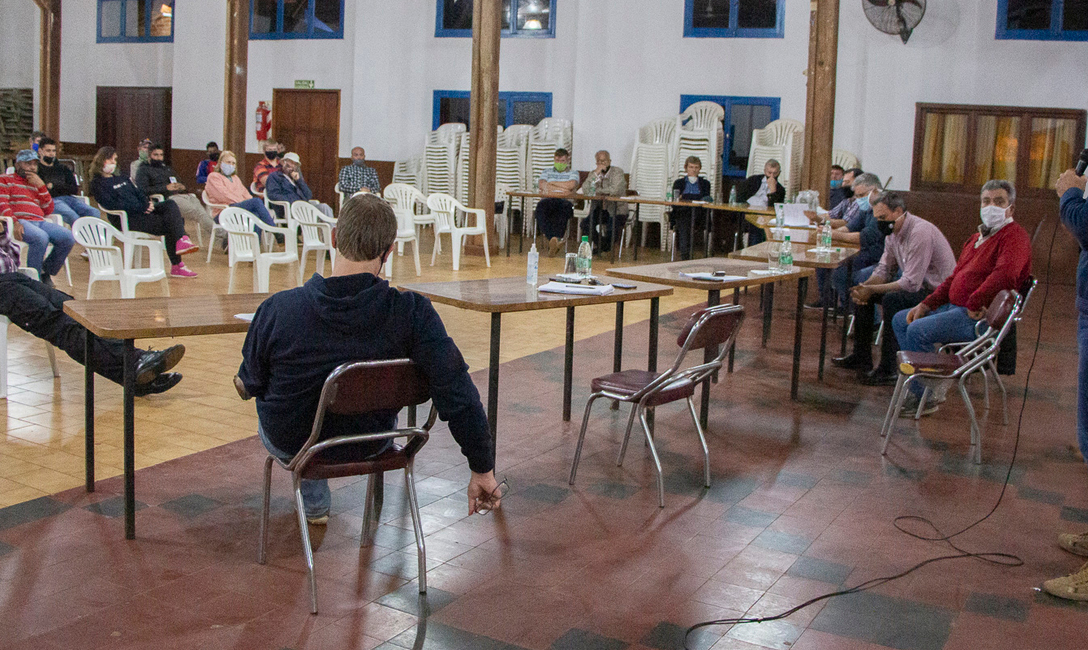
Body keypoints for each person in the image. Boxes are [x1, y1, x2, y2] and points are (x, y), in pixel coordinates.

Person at [235, 194, 501, 524]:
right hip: (371, 442)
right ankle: (316, 494)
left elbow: (251, 383)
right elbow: (457, 392)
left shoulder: (278, 309)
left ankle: (313, 499)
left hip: (297, 443)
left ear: (333, 237)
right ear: (388, 252)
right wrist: (482, 468)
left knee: (280, 405)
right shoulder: (414, 313)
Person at [0, 218, 184, 395]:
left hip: (12, 278)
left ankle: (134, 374)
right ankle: (134, 365)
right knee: (58, 322)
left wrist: (2, 234)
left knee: (74, 310)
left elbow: (12, 258)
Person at [888, 180, 1033, 398]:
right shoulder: (977, 238)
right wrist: (926, 304)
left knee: (918, 331)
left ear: (1010, 208)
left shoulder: (1014, 236)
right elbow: (954, 278)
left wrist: (975, 302)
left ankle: (926, 396)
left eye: (999, 201)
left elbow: (1005, 275)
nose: (991, 206)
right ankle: (924, 386)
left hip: (977, 318)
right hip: (955, 307)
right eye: (986, 201)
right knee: (901, 319)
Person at [832, 191, 955, 387]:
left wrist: (873, 289)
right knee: (865, 294)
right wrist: (865, 287)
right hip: (918, 288)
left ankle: (887, 369)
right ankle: (861, 357)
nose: (880, 222)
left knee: (892, 300)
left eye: (883, 217)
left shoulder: (920, 232)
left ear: (898, 211)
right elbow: (884, 269)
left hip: (938, 293)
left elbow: (911, 283)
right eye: (877, 218)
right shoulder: (892, 232)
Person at [89, 146, 198, 278]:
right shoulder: (97, 183)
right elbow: (112, 204)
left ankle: (182, 241)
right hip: (127, 218)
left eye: (115, 159)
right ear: (101, 161)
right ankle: (178, 261)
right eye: (110, 160)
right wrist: (141, 207)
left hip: (142, 209)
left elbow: (139, 192)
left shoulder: (121, 178)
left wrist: (147, 204)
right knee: (173, 223)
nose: (113, 163)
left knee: (170, 204)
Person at [808, 173, 886, 309]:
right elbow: (850, 227)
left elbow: (865, 236)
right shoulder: (867, 208)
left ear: (874, 190)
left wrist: (834, 235)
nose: (858, 199)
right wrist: (828, 232)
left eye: (861, 196)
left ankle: (851, 310)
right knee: (825, 261)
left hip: (878, 255)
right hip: (863, 251)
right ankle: (830, 303)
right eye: (857, 196)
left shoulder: (883, 207)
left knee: (842, 273)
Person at [0, 149, 74, 285]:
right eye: (28, 164)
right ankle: (34, 281)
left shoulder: (36, 183)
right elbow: (2, 204)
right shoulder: (5, 179)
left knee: (68, 237)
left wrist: (41, 187)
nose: (32, 167)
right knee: (41, 237)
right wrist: (15, 222)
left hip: (39, 220)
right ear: (18, 164)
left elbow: (49, 209)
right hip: (20, 221)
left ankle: (45, 271)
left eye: (35, 164)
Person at [136, 143, 216, 243]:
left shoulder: (166, 168)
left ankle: (222, 238)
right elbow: (143, 190)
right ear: (149, 156)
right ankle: (223, 236)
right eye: (155, 155)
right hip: (168, 199)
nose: (159, 158)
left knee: (203, 212)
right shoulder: (143, 170)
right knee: (198, 213)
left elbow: (179, 181)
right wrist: (165, 188)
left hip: (183, 195)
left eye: (161, 155)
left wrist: (182, 186)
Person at [36, 137, 101, 226]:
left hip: (69, 198)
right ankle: (83, 238)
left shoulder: (63, 169)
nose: (51, 154)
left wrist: (54, 186)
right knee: (73, 216)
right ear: (40, 151)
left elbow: (74, 189)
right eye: (48, 151)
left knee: (94, 212)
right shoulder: (37, 169)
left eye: (53, 151)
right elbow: (44, 191)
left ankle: (94, 238)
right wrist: (62, 187)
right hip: (51, 201)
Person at [203, 150, 277, 228]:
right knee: (256, 201)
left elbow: (245, 193)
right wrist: (243, 202)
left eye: (233, 163)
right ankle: (273, 229)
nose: (231, 165)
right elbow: (223, 196)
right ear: (221, 163)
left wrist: (247, 203)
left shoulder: (235, 178)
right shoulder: (214, 177)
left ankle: (254, 240)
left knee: (256, 214)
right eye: (228, 162)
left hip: (237, 207)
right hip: (223, 211)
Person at [579, 150, 628, 253]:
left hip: (617, 209)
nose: (601, 164)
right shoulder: (594, 173)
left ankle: (605, 246)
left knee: (612, 226)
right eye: (599, 161)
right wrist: (596, 173)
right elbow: (586, 190)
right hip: (600, 209)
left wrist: (597, 191)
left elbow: (615, 190)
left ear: (609, 161)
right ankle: (603, 245)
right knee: (585, 224)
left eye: (604, 161)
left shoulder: (617, 172)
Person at [534, 148, 580, 256]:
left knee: (563, 211)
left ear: (568, 160)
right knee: (540, 209)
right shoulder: (546, 171)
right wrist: (563, 187)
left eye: (562, 161)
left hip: (564, 201)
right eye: (557, 161)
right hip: (548, 199)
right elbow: (541, 185)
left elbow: (571, 186)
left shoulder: (573, 173)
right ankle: (554, 240)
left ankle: (554, 240)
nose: (559, 163)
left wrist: (552, 183)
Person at [265, 152, 335, 220]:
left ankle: (333, 231)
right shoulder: (274, 176)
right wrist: (295, 201)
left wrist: (299, 181)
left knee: (324, 207)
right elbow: (273, 195)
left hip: (303, 206)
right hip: (289, 209)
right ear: (283, 162)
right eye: (290, 162)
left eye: (295, 164)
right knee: (312, 212)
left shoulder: (296, 178)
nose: (292, 166)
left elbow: (308, 195)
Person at [669, 156, 713, 261]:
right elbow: (675, 202)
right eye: (691, 167)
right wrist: (693, 198)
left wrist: (686, 197)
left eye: (696, 167)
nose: (693, 170)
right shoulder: (678, 183)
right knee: (684, 220)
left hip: (699, 213)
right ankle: (685, 256)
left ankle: (705, 254)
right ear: (686, 168)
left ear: (700, 169)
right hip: (683, 212)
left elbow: (706, 199)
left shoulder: (705, 183)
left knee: (692, 219)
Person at [737, 159, 786, 245]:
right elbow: (739, 196)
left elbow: (774, 208)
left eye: (775, 173)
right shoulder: (753, 180)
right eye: (769, 173)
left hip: (765, 215)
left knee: (760, 223)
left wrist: (772, 192)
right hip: (748, 212)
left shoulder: (780, 190)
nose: (771, 176)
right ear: (764, 171)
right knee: (755, 222)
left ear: (779, 173)